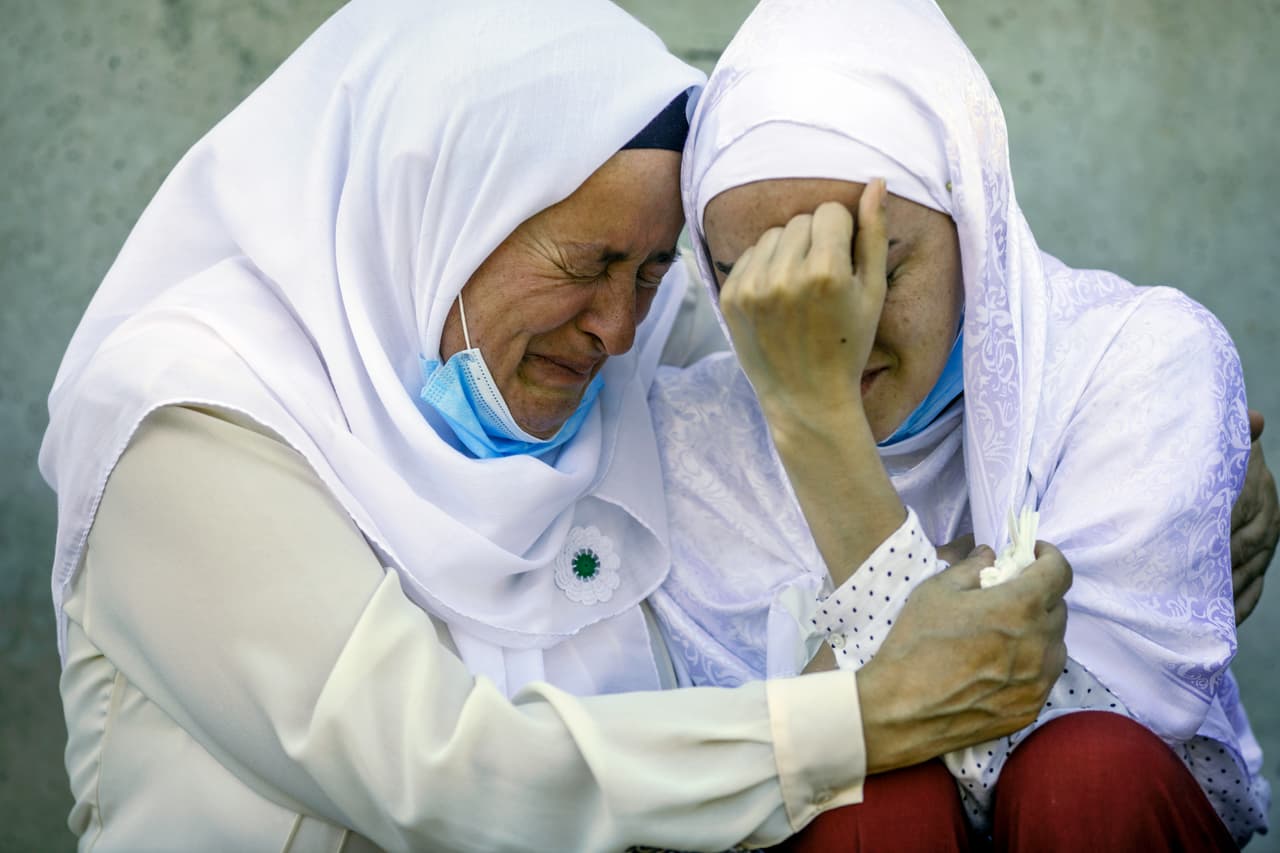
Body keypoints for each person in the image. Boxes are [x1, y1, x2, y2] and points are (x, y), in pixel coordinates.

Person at [41, 1, 1081, 850]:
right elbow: (437, 771)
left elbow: (864, 419)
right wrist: (858, 719)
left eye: (652, 273)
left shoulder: (600, 392)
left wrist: (1177, 470)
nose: (618, 329)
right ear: (442, 209)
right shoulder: (186, 417)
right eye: (586, 265)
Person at [650, 0, 1270, 849]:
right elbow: (712, 784)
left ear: (969, 215)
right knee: (868, 799)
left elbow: (1111, 717)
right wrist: (817, 425)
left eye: (869, 266)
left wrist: (821, 434)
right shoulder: (689, 443)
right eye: (760, 288)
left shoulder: (1136, 360)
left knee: (1086, 768)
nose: (827, 332)